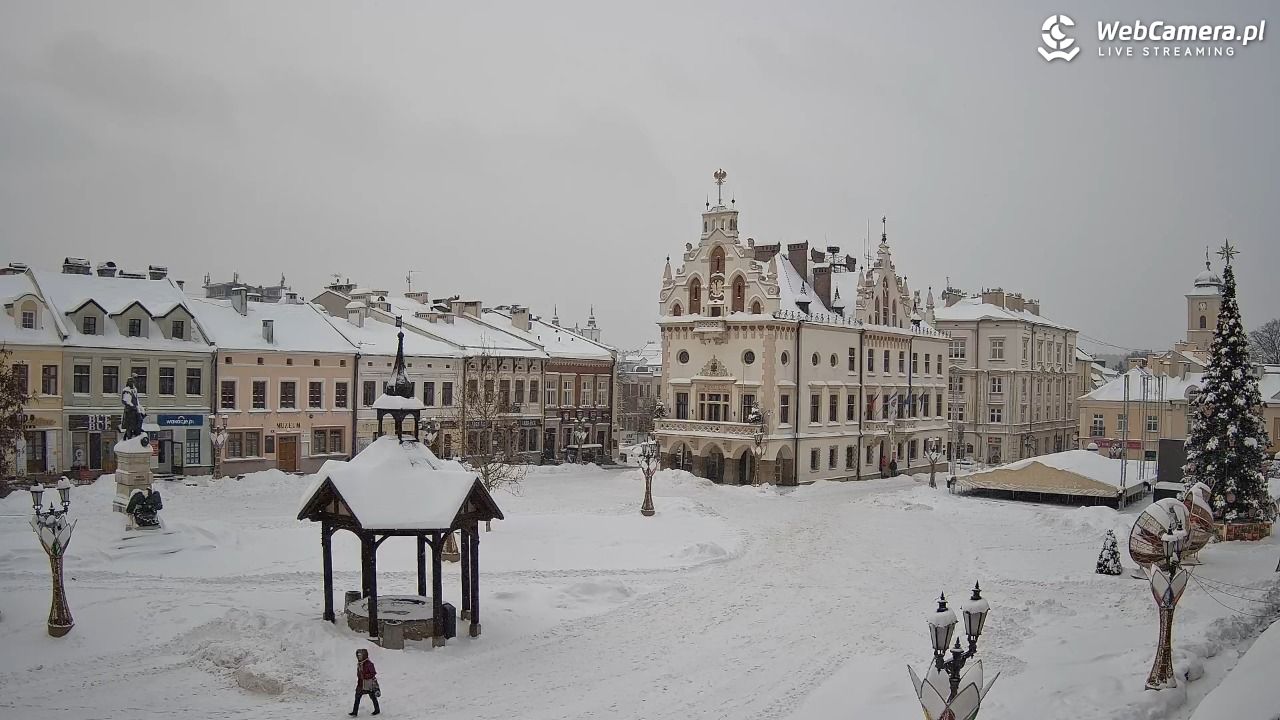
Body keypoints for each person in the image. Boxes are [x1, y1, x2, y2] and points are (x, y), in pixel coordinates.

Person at [350, 648, 380, 716]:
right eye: (358, 655)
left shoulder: (369, 664)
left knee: (373, 697)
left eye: (360, 655)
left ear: (364, 655)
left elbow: (373, 673)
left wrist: (365, 676)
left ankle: (377, 710)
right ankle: (355, 712)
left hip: (368, 684)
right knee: (357, 697)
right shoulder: (359, 664)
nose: (359, 657)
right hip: (360, 684)